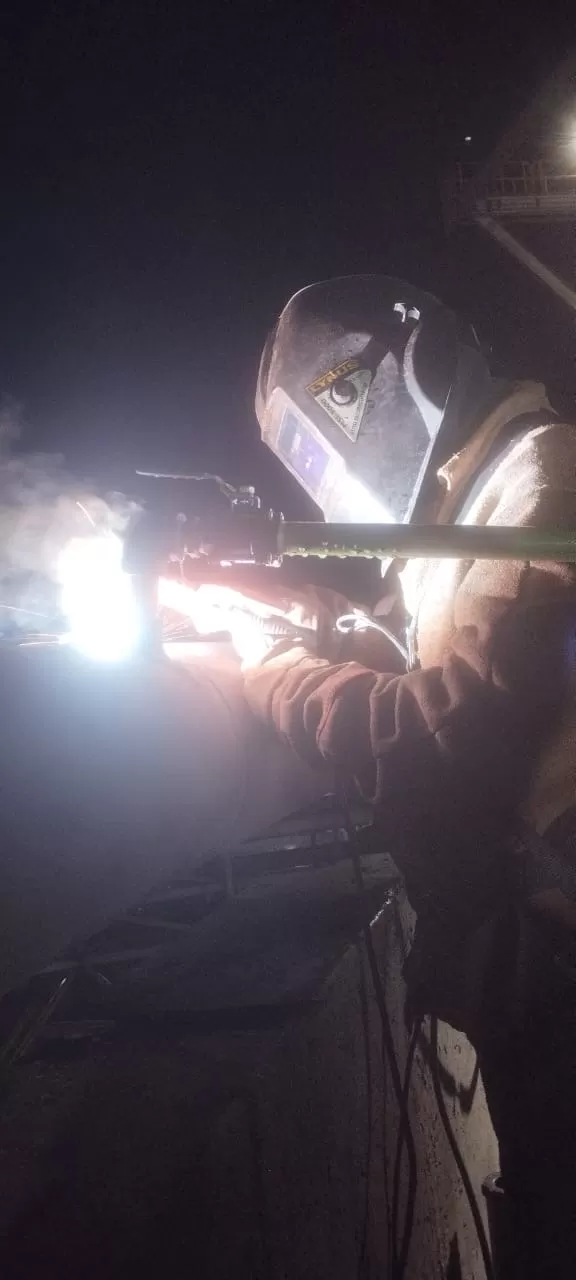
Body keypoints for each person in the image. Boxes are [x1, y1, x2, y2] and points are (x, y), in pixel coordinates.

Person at [191, 275, 576, 1276]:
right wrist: (306, 615)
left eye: (323, 457)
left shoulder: (544, 480)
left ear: (377, 387)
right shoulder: (476, 508)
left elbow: (443, 734)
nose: (331, 494)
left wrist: (278, 675)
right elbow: (444, 659)